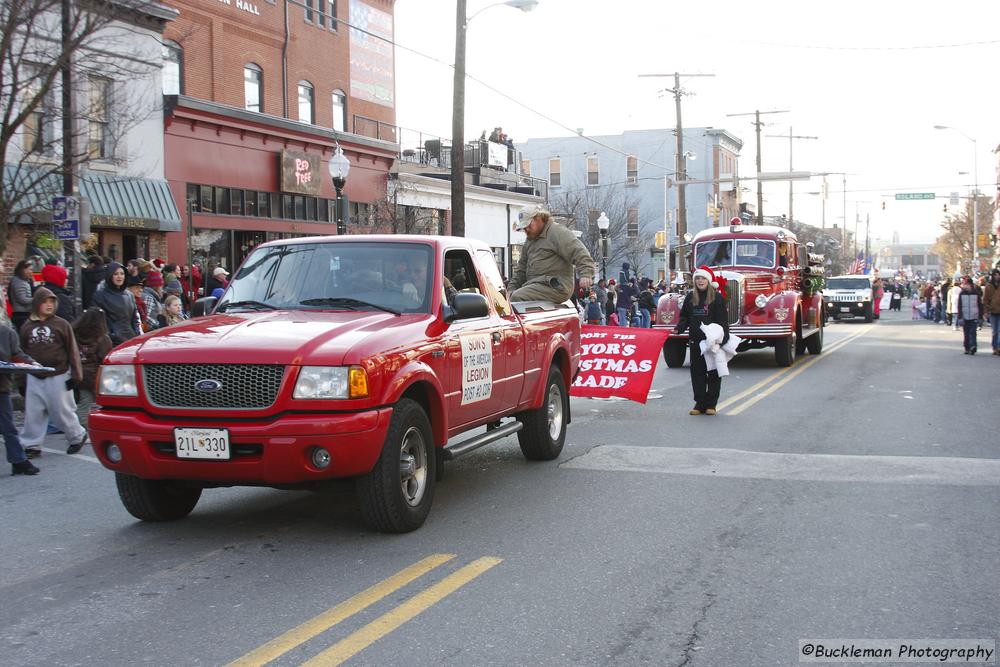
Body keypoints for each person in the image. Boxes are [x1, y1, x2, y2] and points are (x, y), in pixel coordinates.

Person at [19, 288, 89, 455]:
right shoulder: (27, 327)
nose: (49, 305)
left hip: (58, 373)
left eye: (52, 302)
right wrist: (21, 380)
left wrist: (76, 375)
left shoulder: (61, 324)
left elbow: (72, 350)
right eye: (45, 302)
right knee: (33, 412)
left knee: (62, 411)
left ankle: (77, 436)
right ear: (37, 303)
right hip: (34, 374)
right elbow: (21, 353)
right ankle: (32, 444)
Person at [508, 207, 596, 302]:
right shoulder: (530, 240)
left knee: (517, 297)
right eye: (524, 227)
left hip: (555, 286)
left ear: (538, 218)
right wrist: (510, 289)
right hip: (536, 284)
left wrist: (586, 273)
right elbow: (522, 269)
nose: (527, 229)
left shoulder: (556, 231)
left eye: (529, 225)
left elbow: (578, 251)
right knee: (510, 298)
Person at [674, 266, 729, 416]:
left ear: (708, 280)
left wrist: (723, 340)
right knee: (697, 373)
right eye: (697, 278)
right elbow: (684, 317)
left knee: (713, 372)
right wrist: (678, 328)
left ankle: (711, 404)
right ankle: (699, 403)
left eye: (703, 278)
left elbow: (723, 321)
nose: (700, 280)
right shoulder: (690, 297)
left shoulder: (717, 298)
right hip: (696, 342)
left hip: (712, 343)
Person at [1, 320, 41, 474]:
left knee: (8, 427)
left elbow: (16, 354)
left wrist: (31, 362)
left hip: (1, 386)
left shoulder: (7, 332)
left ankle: (18, 460)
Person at [72, 307, 113, 428]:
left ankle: (82, 428)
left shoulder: (74, 335)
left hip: (79, 375)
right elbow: (105, 358)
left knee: (83, 405)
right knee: (104, 405)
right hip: (96, 376)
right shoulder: (102, 338)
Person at [92, 262, 141, 345]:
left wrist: (137, 334)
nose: (119, 277)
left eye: (122, 274)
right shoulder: (100, 295)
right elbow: (97, 320)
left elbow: (135, 318)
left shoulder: (129, 295)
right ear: (110, 275)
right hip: (111, 341)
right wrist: (110, 336)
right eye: (116, 274)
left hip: (130, 338)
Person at [956, 276, 982, 355]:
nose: (965, 286)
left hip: (974, 316)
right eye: (964, 284)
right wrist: (960, 317)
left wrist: (980, 317)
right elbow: (959, 306)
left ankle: (973, 346)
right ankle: (967, 347)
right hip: (965, 316)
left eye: (966, 284)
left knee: (973, 332)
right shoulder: (962, 294)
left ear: (971, 285)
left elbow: (980, 305)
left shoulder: (976, 293)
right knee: (966, 333)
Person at [9, 259, 35, 332]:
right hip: (20, 315)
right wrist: (36, 299)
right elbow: (22, 299)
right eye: (30, 269)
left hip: (24, 313)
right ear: (23, 270)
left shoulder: (25, 281)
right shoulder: (18, 282)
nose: (31, 272)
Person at [984, 268, 1000, 355]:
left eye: (998, 275)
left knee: (999, 330)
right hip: (993, 311)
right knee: (995, 331)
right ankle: (995, 347)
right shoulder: (989, 286)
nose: (997, 276)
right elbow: (985, 300)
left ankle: (999, 347)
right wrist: (986, 311)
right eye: (995, 275)